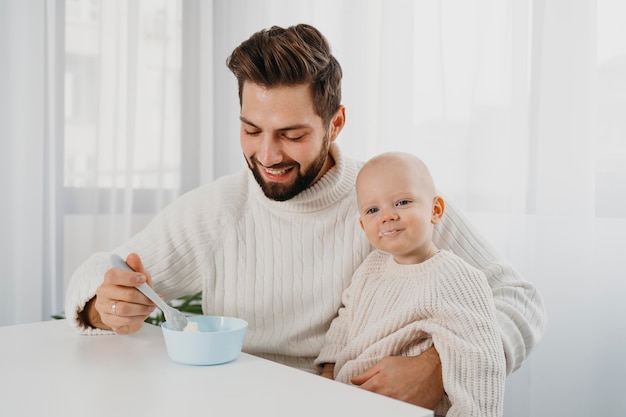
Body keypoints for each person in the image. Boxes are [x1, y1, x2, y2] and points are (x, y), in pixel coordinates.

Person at [64, 24, 546, 409]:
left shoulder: (389, 200)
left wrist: (440, 371)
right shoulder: (218, 209)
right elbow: (98, 272)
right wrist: (100, 307)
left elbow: (518, 300)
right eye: (252, 130)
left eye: (292, 134)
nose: (267, 155)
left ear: (335, 122)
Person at [315, 152, 506, 416]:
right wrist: (327, 372)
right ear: (362, 224)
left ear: (435, 210)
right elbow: (346, 319)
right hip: (348, 398)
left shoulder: (457, 279)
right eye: (373, 210)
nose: (387, 216)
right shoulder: (371, 267)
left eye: (402, 202)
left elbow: (479, 365)